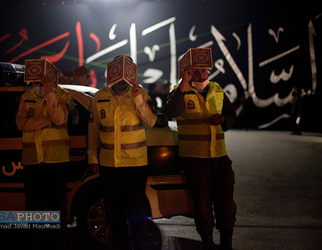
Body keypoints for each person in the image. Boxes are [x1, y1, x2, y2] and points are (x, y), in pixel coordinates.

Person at [88, 56, 157, 249]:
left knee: (136, 209)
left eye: (125, 74)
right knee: (114, 210)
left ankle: (140, 243)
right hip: (110, 164)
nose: (121, 79)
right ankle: (121, 244)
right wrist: (92, 157)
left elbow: (151, 122)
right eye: (117, 74)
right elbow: (93, 129)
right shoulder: (100, 96)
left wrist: (138, 98)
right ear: (111, 74)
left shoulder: (139, 94)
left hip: (135, 164)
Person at [165, 64, 237, 250]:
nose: (200, 73)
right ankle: (207, 241)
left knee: (226, 203)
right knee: (202, 204)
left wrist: (223, 120)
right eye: (195, 70)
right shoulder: (180, 91)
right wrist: (183, 82)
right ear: (188, 71)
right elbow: (170, 112)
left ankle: (226, 242)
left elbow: (230, 114)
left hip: (219, 155)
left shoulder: (217, 89)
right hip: (195, 158)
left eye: (203, 69)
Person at [16, 77, 71, 250]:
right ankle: (35, 241)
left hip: (55, 159)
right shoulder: (26, 97)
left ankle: (58, 242)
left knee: (56, 205)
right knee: (34, 205)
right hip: (32, 159)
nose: (37, 86)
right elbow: (20, 123)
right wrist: (47, 121)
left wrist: (49, 94)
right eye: (35, 83)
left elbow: (59, 119)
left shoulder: (62, 95)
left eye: (41, 83)